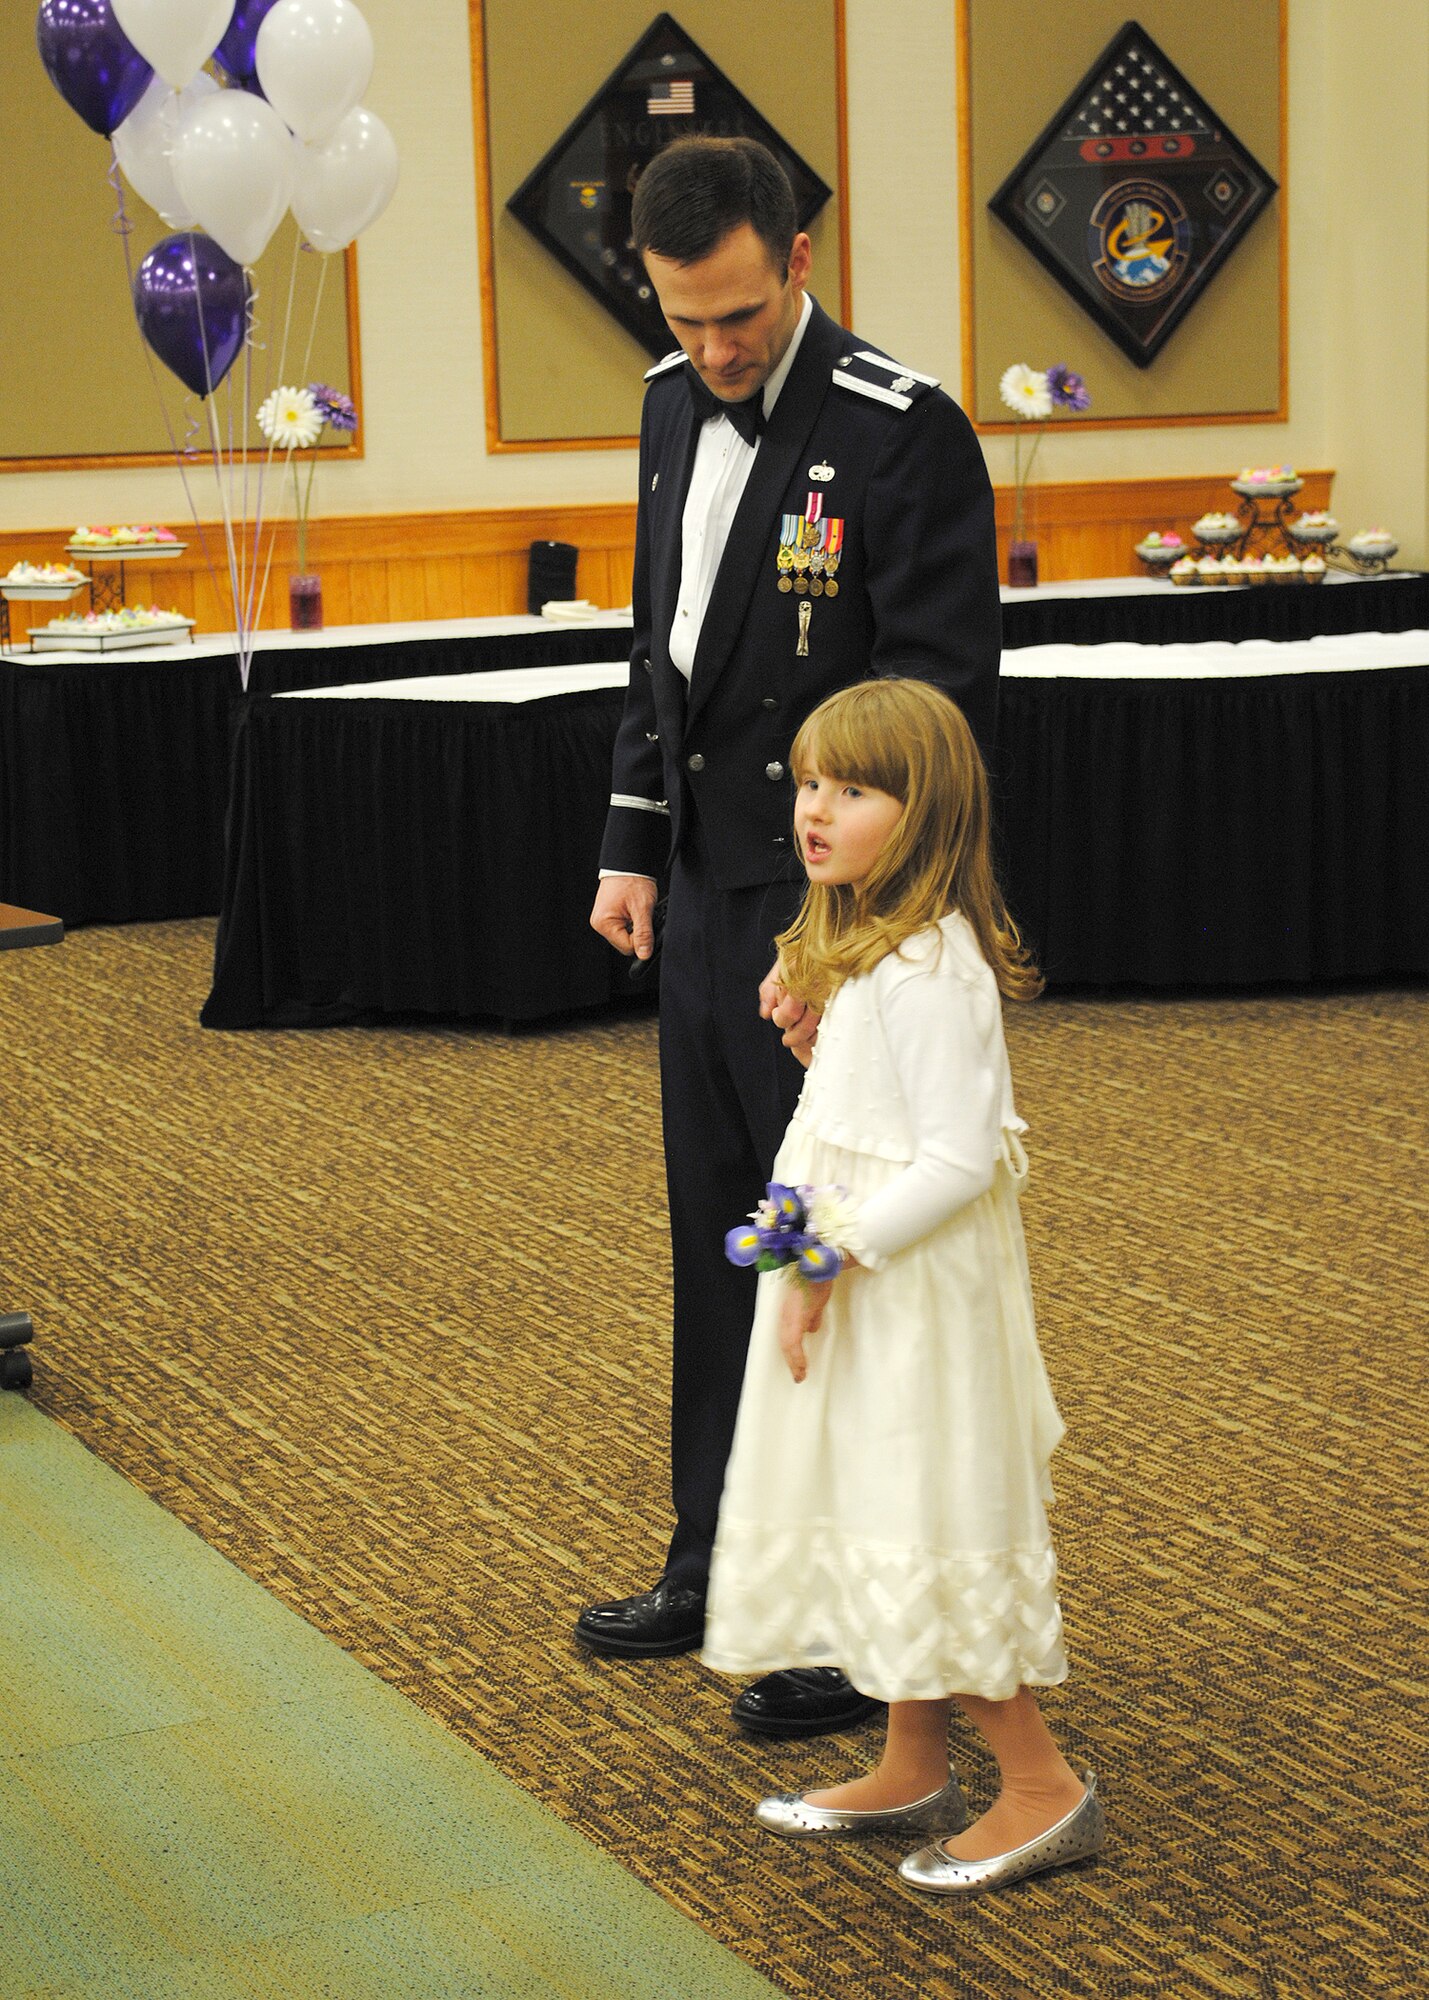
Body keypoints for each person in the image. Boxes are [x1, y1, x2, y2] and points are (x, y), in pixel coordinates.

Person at [578, 134, 1001, 1741]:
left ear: (801, 259)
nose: (716, 349)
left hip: (834, 911)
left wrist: (848, 936)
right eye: (688, 320)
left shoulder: (903, 431)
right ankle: (717, 1555)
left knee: (839, 1259)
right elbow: (659, 649)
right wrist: (635, 844)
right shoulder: (667, 403)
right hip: (703, 896)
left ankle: (843, 1617)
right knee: (721, 1239)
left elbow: (941, 710)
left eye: (740, 315)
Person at [702, 678, 1104, 1895]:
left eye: (855, 789)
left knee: (924, 1508)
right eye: (810, 782)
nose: (817, 809)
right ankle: (911, 1756)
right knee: (874, 1499)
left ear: (923, 814)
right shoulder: (873, 945)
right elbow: (872, 1109)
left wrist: (830, 1257)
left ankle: (1042, 1785)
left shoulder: (935, 965)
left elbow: (958, 1154)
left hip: (909, 1287)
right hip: (865, 1267)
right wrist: (826, 1036)